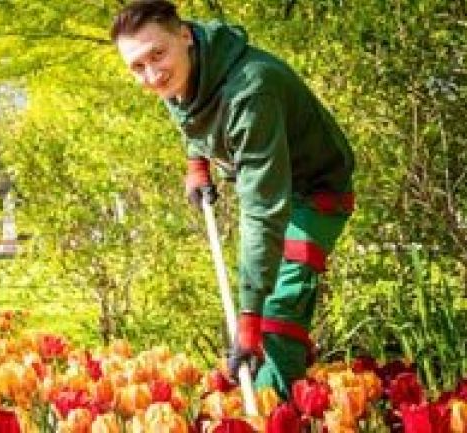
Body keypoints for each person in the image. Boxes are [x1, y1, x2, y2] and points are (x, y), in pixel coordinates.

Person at [111, 0, 355, 399]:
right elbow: (189, 114)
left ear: (185, 36)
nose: (152, 75)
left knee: (275, 315)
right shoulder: (186, 73)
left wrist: (249, 318)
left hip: (316, 195)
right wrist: (197, 163)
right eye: (137, 67)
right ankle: (301, 392)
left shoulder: (250, 90)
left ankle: (276, 417)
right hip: (274, 184)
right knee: (273, 310)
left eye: (158, 55)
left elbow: (262, 210)